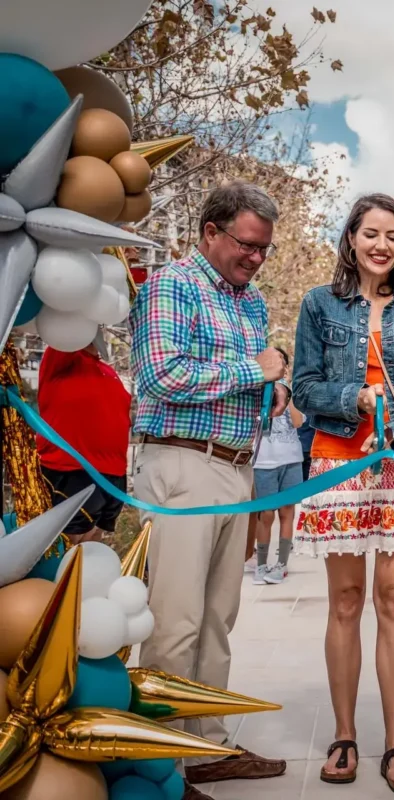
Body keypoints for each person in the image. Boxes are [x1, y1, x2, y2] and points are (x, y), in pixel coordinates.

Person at [129, 180, 290, 799]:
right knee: (175, 622)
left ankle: (208, 747)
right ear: (210, 232)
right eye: (248, 245)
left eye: (263, 250)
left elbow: (247, 380)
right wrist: (259, 370)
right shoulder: (173, 284)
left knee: (218, 617)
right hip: (181, 465)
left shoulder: (250, 302)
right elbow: (162, 375)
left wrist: (272, 391)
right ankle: (160, 766)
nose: (255, 258)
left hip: (235, 468)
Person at [291, 193, 394, 793]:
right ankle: (345, 735)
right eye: (372, 233)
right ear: (351, 238)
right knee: (347, 601)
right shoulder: (317, 304)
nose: (383, 245)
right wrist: (353, 399)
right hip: (338, 464)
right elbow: (304, 386)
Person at [36, 342, 131, 543]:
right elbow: (64, 334)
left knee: (89, 554)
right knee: (64, 550)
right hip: (72, 473)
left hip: (112, 476)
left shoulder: (107, 370)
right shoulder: (61, 358)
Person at [250, 350, 303, 585]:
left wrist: (288, 391)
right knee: (266, 515)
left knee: (286, 513)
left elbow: (299, 421)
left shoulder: (292, 390)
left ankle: (281, 564)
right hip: (263, 460)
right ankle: (260, 564)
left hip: (291, 458)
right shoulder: (256, 389)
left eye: (281, 363)